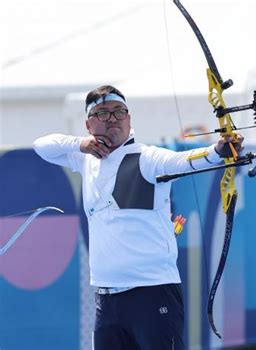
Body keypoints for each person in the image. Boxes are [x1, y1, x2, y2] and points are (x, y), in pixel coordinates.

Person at [33, 85, 244, 350]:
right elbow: (41, 146)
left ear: (129, 118)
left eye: (119, 112)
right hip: (107, 300)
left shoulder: (147, 158)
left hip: (152, 293)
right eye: (102, 113)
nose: (112, 119)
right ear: (88, 124)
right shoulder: (85, 159)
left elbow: (183, 161)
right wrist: (81, 144)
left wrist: (217, 152)